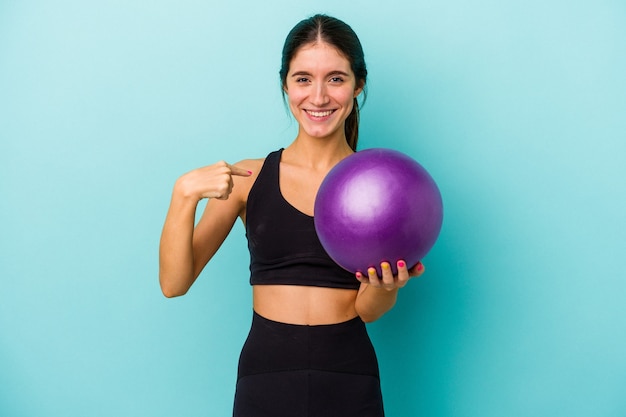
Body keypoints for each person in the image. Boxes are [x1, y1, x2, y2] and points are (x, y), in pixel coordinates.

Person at [159, 14, 425, 417]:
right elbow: (174, 283)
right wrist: (183, 195)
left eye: (335, 78)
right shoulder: (248, 178)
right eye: (303, 79)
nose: (318, 97)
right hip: (265, 376)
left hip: (348, 376)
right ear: (285, 85)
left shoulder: (377, 190)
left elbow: (367, 311)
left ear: (358, 85)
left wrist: (387, 286)